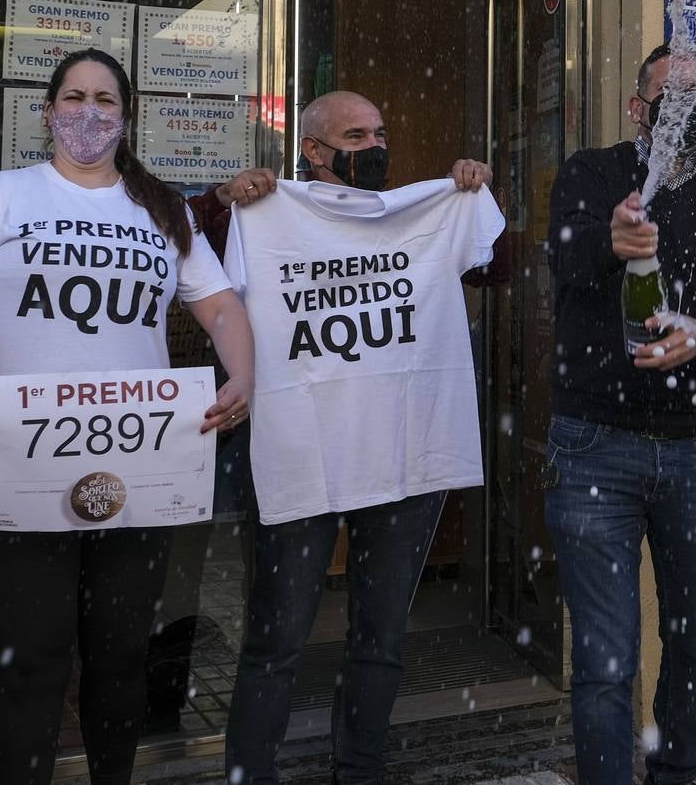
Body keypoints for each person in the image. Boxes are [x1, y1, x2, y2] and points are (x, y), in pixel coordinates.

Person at [0, 47, 255, 785]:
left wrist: (242, 377)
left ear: (126, 118)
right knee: (31, 665)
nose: (87, 113)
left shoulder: (161, 210)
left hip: (140, 468)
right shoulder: (2, 195)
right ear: (47, 110)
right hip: (15, 464)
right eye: (72, 97)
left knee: (122, 658)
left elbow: (220, 305)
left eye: (104, 99)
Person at [215, 89, 504, 785]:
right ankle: (249, 774)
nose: (375, 147)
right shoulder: (264, 214)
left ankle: (360, 770)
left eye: (380, 132)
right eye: (355, 136)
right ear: (313, 149)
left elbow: (493, 261)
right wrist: (229, 194)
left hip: (404, 453)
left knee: (381, 639)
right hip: (301, 452)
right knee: (276, 639)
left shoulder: (428, 209)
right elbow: (218, 295)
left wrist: (470, 185)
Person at [544, 44, 696, 785]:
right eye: (666, 94)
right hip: (592, 446)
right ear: (636, 107)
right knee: (606, 659)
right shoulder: (592, 174)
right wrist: (610, 242)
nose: (684, 108)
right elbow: (566, 260)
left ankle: (674, 774)